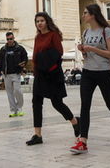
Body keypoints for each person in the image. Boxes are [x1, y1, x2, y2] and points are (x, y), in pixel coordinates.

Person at [71, 4, 110, 154]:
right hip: (88, 72)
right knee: (85, 105)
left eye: (85, 13)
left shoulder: (106, 31)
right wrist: (83, 51)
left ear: (93, 14)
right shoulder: (86, 32)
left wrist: (92, 48)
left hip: (103, 72)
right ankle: (83, 141)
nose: (83, 15)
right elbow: (87, 55)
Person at [26, 12, 79, 146]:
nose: (39, 23)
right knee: (36, 103)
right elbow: (35, 54)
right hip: (39, 74)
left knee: (57, 103)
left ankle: (75, 122)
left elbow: (59, 53)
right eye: (37, 21)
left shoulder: (53, 35)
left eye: (42, 20)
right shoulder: (38, 37)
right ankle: (37, 135)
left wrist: (49, 67)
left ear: (47, 21)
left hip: (52, 74)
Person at [0, 31, 28, 117]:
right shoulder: (3, 49)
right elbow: (0, 61)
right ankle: (13, 110)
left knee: (17, 91)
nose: (9, 40)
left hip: (16, 73)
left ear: (14, 38)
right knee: (9, 93)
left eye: (11, 39)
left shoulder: (20, 48)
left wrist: (23, 65)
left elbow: (25, 58)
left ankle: (19, 107)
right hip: (6, 74)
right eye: (8, 39)